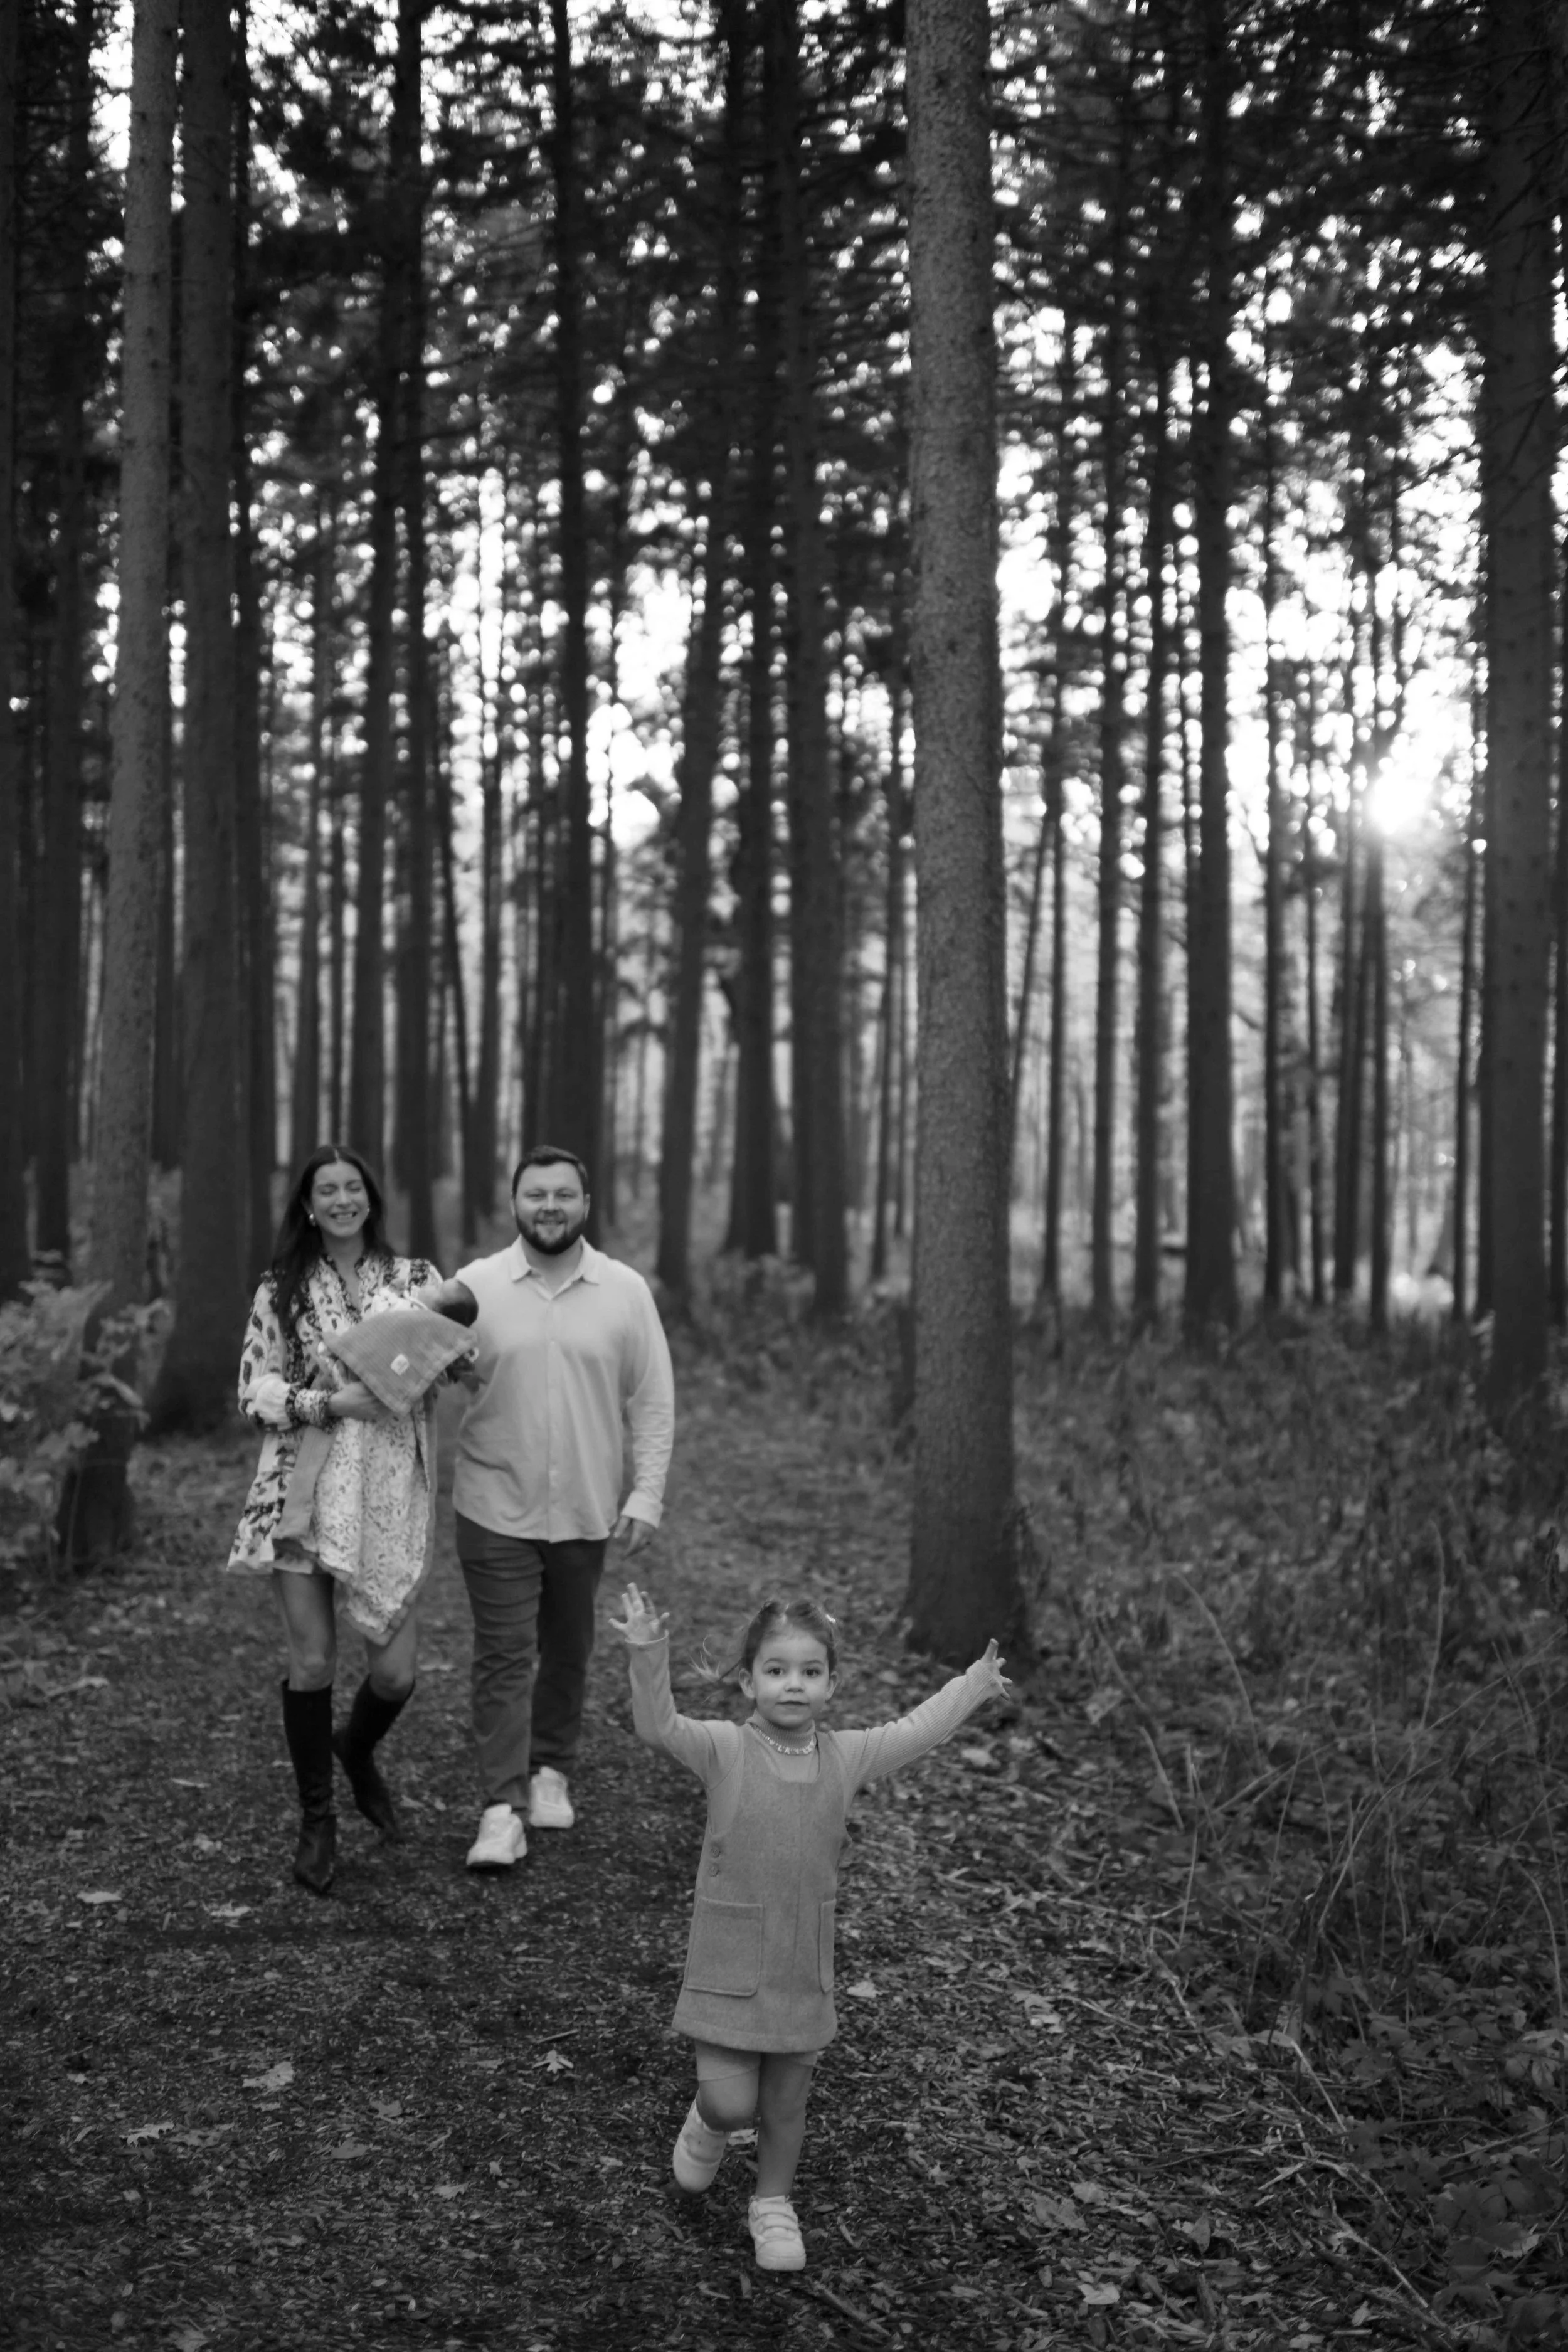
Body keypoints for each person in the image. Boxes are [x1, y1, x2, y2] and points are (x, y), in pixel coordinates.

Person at [610, 1584, 1012, 2274]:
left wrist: (972, 1684)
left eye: (809, 1672)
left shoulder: (846, 1758)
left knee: (787, 2105)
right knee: (733, 2100)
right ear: (746, 1682)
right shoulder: (723, 1750)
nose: (792, 1685)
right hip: (730, 1961)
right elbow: (658, 1725)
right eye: (775, 1670)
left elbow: (916, 1730)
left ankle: (773, 2204)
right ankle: (709, 2122)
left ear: (831, 1685)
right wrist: (647, 1649)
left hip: (803, 1963)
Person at [450, 1145, 675, 1871]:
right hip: (492, 1501)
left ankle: (551, 1767)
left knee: (568, 1648)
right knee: (505, 1655)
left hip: (584, 1505)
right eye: (536, 1194)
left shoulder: (624, 1290)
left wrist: (645, 1494)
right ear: (513, 1203)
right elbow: (418, 1371)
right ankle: (500, 1809)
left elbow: (653, 1399)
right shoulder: (473, 1287)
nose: (550, 1206)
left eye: (564, 1195)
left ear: (585, 1204)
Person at [226, 1145, 441, 1895]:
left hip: (389, 1491)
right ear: (309, 1205)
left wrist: (446, 1365)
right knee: (312, 1661)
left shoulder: (418, 1282)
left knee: (396, 1671)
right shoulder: (279, 1289)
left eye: (354, 1187)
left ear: (371, 1199)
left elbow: (446, 1365)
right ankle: (317, 1819)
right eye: (329, 1189)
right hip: (300, 1490)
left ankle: (356, 1748)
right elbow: (253, 1392)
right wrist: (327, 1403)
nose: (343, 1199)